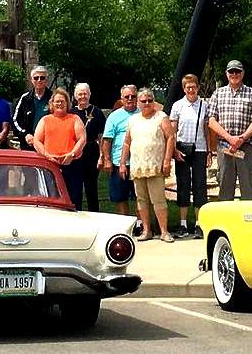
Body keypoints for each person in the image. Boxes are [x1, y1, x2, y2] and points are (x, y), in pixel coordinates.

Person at [119, 88, 176, 242]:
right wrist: (123, 163)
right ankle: (146, 230)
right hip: (138, 166)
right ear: (138, 102)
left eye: (150, 100)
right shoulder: (133, 120)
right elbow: (126, 143)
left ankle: (164, 231)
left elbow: (170, 137)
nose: (147, 104)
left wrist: (166, 160)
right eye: (143, 101)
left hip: (155, 165)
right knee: (141, 199)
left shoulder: (161, 117)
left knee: (158, 199)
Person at [207, 59, 252, 201]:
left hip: (246, 146)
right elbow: (211, 121)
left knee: (248, 185)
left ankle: (249, 220)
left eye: (237, 71)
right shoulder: (218, 94)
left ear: (243, 73)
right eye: (231, 71)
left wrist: (241, 138)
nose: (234, 74)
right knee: (225, 184)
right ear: (226, 74)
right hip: (225, 147)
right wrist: (229, 138)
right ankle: (226, 220)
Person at [167, 72, 211, 234]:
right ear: (184, 89)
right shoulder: (178, 106)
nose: (191, 90)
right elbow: (173, 130)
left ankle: (200, 223)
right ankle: (183, 223)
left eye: (193, 87)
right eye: (188, 87)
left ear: (198, 88)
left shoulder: (205, 105)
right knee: (183, 185)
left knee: (200, 185)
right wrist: (173, 150)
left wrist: (208, 150)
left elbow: (206, 129)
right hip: (182, 149)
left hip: (199, 148)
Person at [33, 87, 90, 207]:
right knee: (51, 198)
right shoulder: (45, 120)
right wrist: (46, 155)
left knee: (73, 198)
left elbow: (82, 139)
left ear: (67, 103)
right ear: (52, 104)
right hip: (50, 165)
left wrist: (72, 154)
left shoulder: (75, 119)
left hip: (71, 164)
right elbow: (37, 140)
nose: (59, 104)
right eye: (57, 101)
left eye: (62, 101)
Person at [101, 84, 139, 216]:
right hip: (118, 162)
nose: (130, 99)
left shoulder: (143, 113)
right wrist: (107, 160)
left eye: (133, 96)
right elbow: (107, 140)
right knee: (120, 197)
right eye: (126, 97)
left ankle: (140, 225)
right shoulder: (114, 116)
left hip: (139, 162)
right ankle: (126, 224)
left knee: (140, 197)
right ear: (121, 99)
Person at [70, 83, 106, 213]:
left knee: (91, 188)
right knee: (75, 187)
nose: (82, 96)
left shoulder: (97, 112)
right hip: (75, 152)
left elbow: (102, 136)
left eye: (85, 93)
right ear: (75, 96)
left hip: (92, 151)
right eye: (80, 94)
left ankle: (94, 214)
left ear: (89, 94)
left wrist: (102, 156)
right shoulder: (71, 113)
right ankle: (76, 214)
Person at [12, 65, 53, 148]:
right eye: (36, 78)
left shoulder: (53, 97)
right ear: (31, 80)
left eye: (42, 78)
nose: (39, 80)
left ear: (46, 80)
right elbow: (15, 120)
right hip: (28, 143)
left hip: (49, 143)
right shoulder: (24, 98)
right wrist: (26, 134)